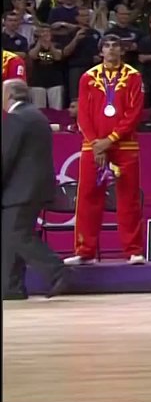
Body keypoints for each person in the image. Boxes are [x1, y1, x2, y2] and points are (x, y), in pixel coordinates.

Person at [66, 35, 145, 264]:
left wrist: (109, 140)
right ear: (101, 52)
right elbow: (83, 114)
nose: (111, 49)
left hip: (124, 145)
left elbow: (134, 113)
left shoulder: (133, 76)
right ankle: (85, 251)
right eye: (107, 46)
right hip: (93, 146)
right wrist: (95, 143)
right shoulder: (87, 77)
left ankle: (133, 251)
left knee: (128, 197)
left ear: (122, 50)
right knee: (87, 198)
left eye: (115, 45)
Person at [1, 79, 70, 299]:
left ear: (9, 95)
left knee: (17, 234)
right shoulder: (36, 115)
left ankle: (58, 271)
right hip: (32, 188)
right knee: (11, 235)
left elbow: (6, 156)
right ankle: (11, 287)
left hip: (21, 189)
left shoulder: (17, 118)